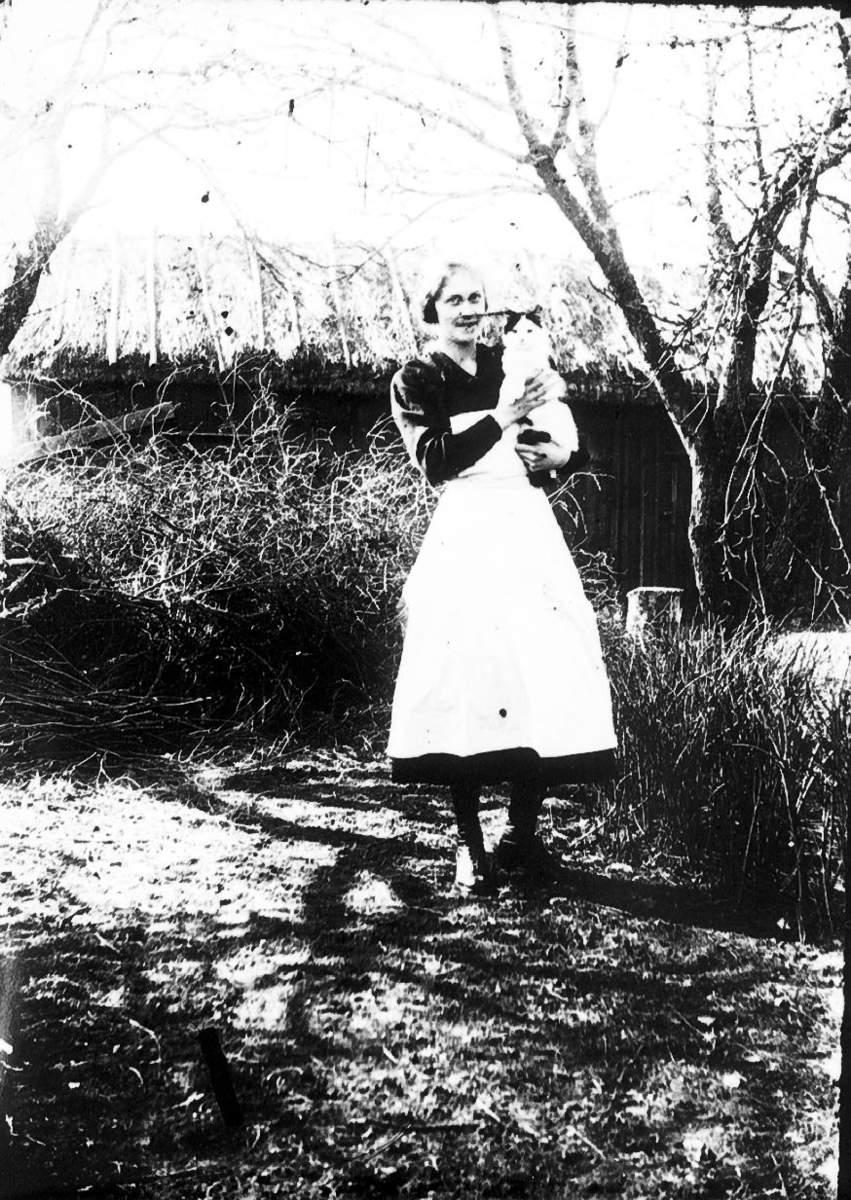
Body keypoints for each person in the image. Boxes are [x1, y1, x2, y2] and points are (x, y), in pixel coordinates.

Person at [387, 260, 617, 895]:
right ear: (432, 310)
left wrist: (564, 455)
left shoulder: (508, 363)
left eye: (476, 299)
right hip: (467, 533)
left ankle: (521, 834)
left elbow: (556, 440)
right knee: (467, 676)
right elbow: (436, 461)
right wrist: (502, 413)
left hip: (527, 530)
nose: (468, 310)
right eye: (454, 300)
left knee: (541, 668)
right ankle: (470, 844)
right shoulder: (416, 380)